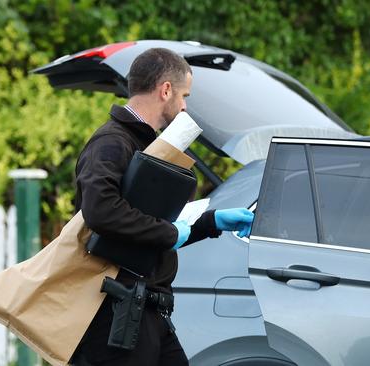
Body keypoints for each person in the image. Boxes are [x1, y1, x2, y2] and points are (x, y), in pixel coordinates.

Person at [70, 48, 253, 365]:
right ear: (166, 89)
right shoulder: (112, 142)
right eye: (184, 95)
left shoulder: (146, 145)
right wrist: (170, 233)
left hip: (149, 312)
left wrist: (210, 223)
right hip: (116, 316)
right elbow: (101, 210)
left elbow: (151, 223)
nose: (184, 106)